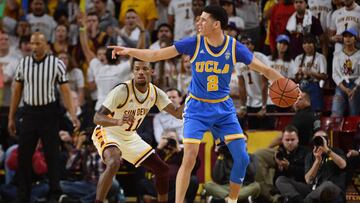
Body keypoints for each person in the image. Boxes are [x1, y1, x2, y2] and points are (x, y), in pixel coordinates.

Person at [109, 5, 285, 203]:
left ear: (216, 24)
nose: (198, 22)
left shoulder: (234, 47)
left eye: (203, 20)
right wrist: (129, 50)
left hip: (223, 108)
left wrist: (286, 83)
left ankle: (233, 200)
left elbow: (264, 69)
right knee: (189, 156)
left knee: (242, 158)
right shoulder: (194, 43)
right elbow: (157, 55)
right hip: (197, 107)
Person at [91, 58, 184, 203]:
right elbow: (97, 117)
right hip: (108, 131)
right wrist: (117, 121)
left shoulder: (156, 93)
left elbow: (178, 114)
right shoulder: (122, 90)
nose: (141, 72)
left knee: (162, 169)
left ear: (152, 72)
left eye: (145, 69)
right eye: (137, 69)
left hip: (129, 136)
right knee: (114, 162)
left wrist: (193, 96)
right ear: (133, 72)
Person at [7, 32, 80, 203]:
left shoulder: (56, 64)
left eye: (38, 43)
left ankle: (55, 195)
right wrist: (11, 117)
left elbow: (66, 91)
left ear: (46, 45)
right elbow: (16, 91)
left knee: (52, 155)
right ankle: (23, 196)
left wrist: (73, 114)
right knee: (24, 156)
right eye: (32, 43)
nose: (34, 47)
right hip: (29, 113)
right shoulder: (23, 63)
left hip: (48, 113)